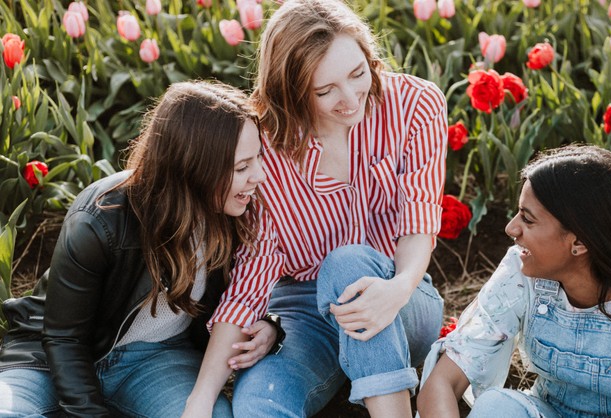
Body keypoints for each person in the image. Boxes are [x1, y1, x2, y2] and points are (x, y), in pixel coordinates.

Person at [182, 0, 447, 416]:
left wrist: (397, 289)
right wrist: (199, 400)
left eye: (358, 74)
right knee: (258, 404)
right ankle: (351, 369)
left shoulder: (414, 105)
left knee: (348, 266)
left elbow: (420, 217)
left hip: (401, 295)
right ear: (290, 92)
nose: (350, 100)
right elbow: (252, 275)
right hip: (305, 312)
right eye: (325, 91)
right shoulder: (264, 145)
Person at [0, 81, 276, 418]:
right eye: (242, 167)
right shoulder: (101, 220)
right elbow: (63, 338)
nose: (258, 176)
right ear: (193, 167)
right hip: (50, 356)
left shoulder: (239, 214)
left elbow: (253, 290)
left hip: (156, 359)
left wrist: (270, 326)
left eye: (258, 158)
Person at [417, 145, 611, 418]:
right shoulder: (521, 272)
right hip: (548, 410)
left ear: (579, 242)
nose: (511, 229)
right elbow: (442, 383)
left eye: (528, 219)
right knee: (497, 409)